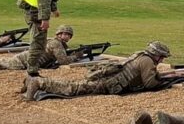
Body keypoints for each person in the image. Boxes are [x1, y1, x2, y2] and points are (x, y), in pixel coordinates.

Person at [21, 40, 170, 101]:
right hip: (109, 83)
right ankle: (38, 82)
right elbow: (150, 84)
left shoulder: (141, 55)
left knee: (76, 85)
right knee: (73, 89)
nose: (162, 60)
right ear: (156, 54)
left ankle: (35, 81)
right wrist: (165, 79)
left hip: (109, 78)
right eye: (162, 57)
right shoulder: (148, 61)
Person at [0, 24, 73, 73]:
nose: (66, 36)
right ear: (59, 34)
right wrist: (76, 56)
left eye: (68, 34)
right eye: (64, 34)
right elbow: (63, 61)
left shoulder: (52, 40)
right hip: (23, 61)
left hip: (24, 57)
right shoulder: (56, 44)